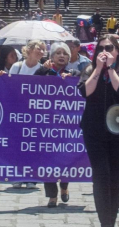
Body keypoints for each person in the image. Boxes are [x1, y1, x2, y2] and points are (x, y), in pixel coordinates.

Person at [77, 35, 119, 226]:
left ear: (118, 52)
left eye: (110, 47)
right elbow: (85, 91)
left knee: (115, 173)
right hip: (93, 128)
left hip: (118, 128)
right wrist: (98, 69)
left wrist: (110, 69)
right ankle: (105, 222)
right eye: (101, 48)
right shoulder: (88, 69)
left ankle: (111, 218)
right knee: (101, 174)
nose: (105, 51)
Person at [34, 42, 74, 207]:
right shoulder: (42, 72)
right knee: (47, 159)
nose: (61, 56)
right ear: (52, 57)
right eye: (58, 53)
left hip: (67, 125)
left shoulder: (74, 73)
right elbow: (25, 87)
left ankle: (64, 186)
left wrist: (72, 80)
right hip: (45, 123)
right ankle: (52, 195)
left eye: (64, 53)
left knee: (65, 158)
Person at [9, 40, 46, 188]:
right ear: (29, 50)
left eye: (44, 50)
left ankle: (31, 175)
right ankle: (17, 175)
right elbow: (8, 87)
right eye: (39, 48)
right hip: (18, 111)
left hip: (36, 114)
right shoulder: (16, 67)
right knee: (17, 145)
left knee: (33, 146)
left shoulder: (43, 69)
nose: (42, 52)